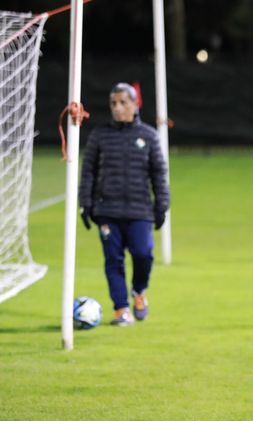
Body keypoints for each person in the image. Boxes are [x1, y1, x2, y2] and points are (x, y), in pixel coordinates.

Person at [78, 83, 170, 326]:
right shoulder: (99, 135)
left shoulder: (149, 136)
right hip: (107, 211)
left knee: (143, 255)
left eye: (123, 102)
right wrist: (85, 203)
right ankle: (121, 309)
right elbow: (88, 172)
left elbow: (159, 174)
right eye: (113, 103)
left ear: (134, 103)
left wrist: (162, 206)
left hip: (140, 211)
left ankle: (139, 291)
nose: (117, 108)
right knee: (113, 261)